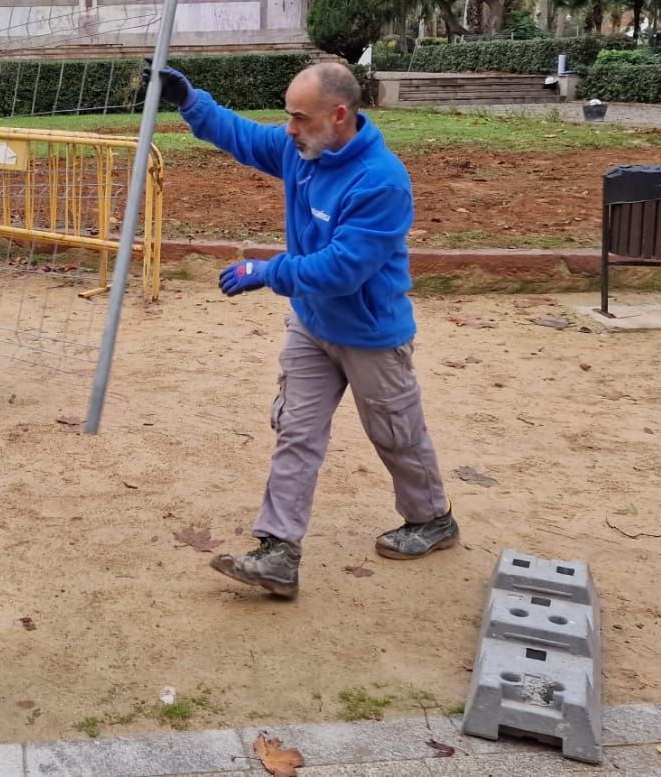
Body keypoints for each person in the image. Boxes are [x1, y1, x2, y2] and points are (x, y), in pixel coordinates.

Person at [148, 60, 457, 598]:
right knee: (297, 431)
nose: (288, 129)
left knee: (395, 434)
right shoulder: (302, 150)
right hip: (312, 327)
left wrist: (269, 270)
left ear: (338, 116)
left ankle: (432, 518)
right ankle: (278, 552)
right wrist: (190, 101)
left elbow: (343, 269)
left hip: (370, 334)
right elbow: (243, 137)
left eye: (298, 118)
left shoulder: (381, 181)